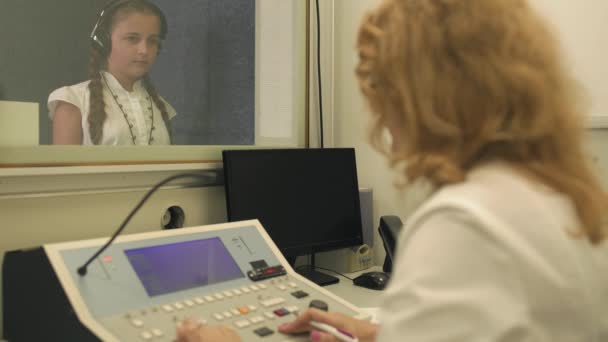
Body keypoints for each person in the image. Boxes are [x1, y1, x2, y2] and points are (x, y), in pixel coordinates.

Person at [177, 0, 608, 341]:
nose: (379, 116)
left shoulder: (467, 223)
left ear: (423, 96)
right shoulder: (569, 200)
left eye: (381, 89)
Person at [48, 0, 176, 145]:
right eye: (132, 39)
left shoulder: (161, 107)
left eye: (152, 41)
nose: (144, 50)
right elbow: (65, 167)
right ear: (104, 42)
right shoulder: (73, 101)